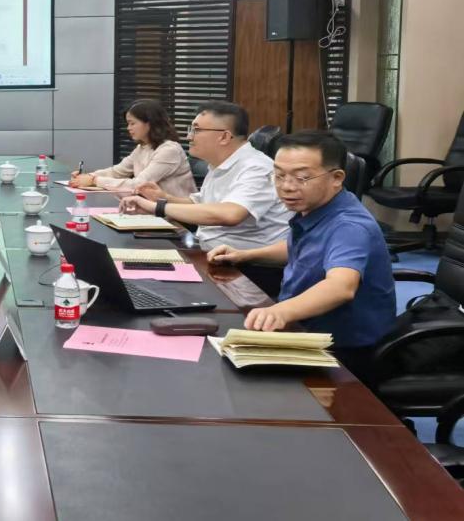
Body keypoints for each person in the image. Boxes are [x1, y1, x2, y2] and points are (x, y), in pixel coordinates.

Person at [207, 131, 396, 375]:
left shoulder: (349, 226)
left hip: (342, 351)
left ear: (336, 178)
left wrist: (280, 311)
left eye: (302, 177)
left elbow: (341, 287)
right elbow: (301, 249)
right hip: (304, 329)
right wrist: (245, 254)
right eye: (279, 175)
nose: (287, 186)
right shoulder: (319, 209)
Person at [119, 100, 290, 251]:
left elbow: (230, 214)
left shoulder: (256, 167)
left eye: (196, 130)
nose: (189, 136)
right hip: (207, 248)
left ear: (224, 137)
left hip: (245, 266)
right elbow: (202, 203)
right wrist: (163, 198)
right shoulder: (220, 164)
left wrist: (157, 207)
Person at [69, 99, 195, 196]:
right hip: (153, 210)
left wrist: (94, 180)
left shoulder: (169, 150)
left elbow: (139, 184)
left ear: (150, 123)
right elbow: (117, 172)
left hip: (176, 215)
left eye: (132, 123)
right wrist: (86, 177)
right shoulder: (142, 148)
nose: (128, 128)